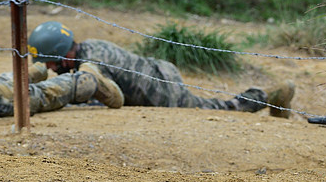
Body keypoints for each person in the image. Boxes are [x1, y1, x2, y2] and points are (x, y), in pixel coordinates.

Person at [27, 21, 295, 116]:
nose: (50, 70)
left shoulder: (91, 65)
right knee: (212, 105)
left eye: (50, 63)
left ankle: (269, 97)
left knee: (221, 109)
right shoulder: (92, 46)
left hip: (161, 94)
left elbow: (101, 94)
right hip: (161, 72)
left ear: (63, 55)